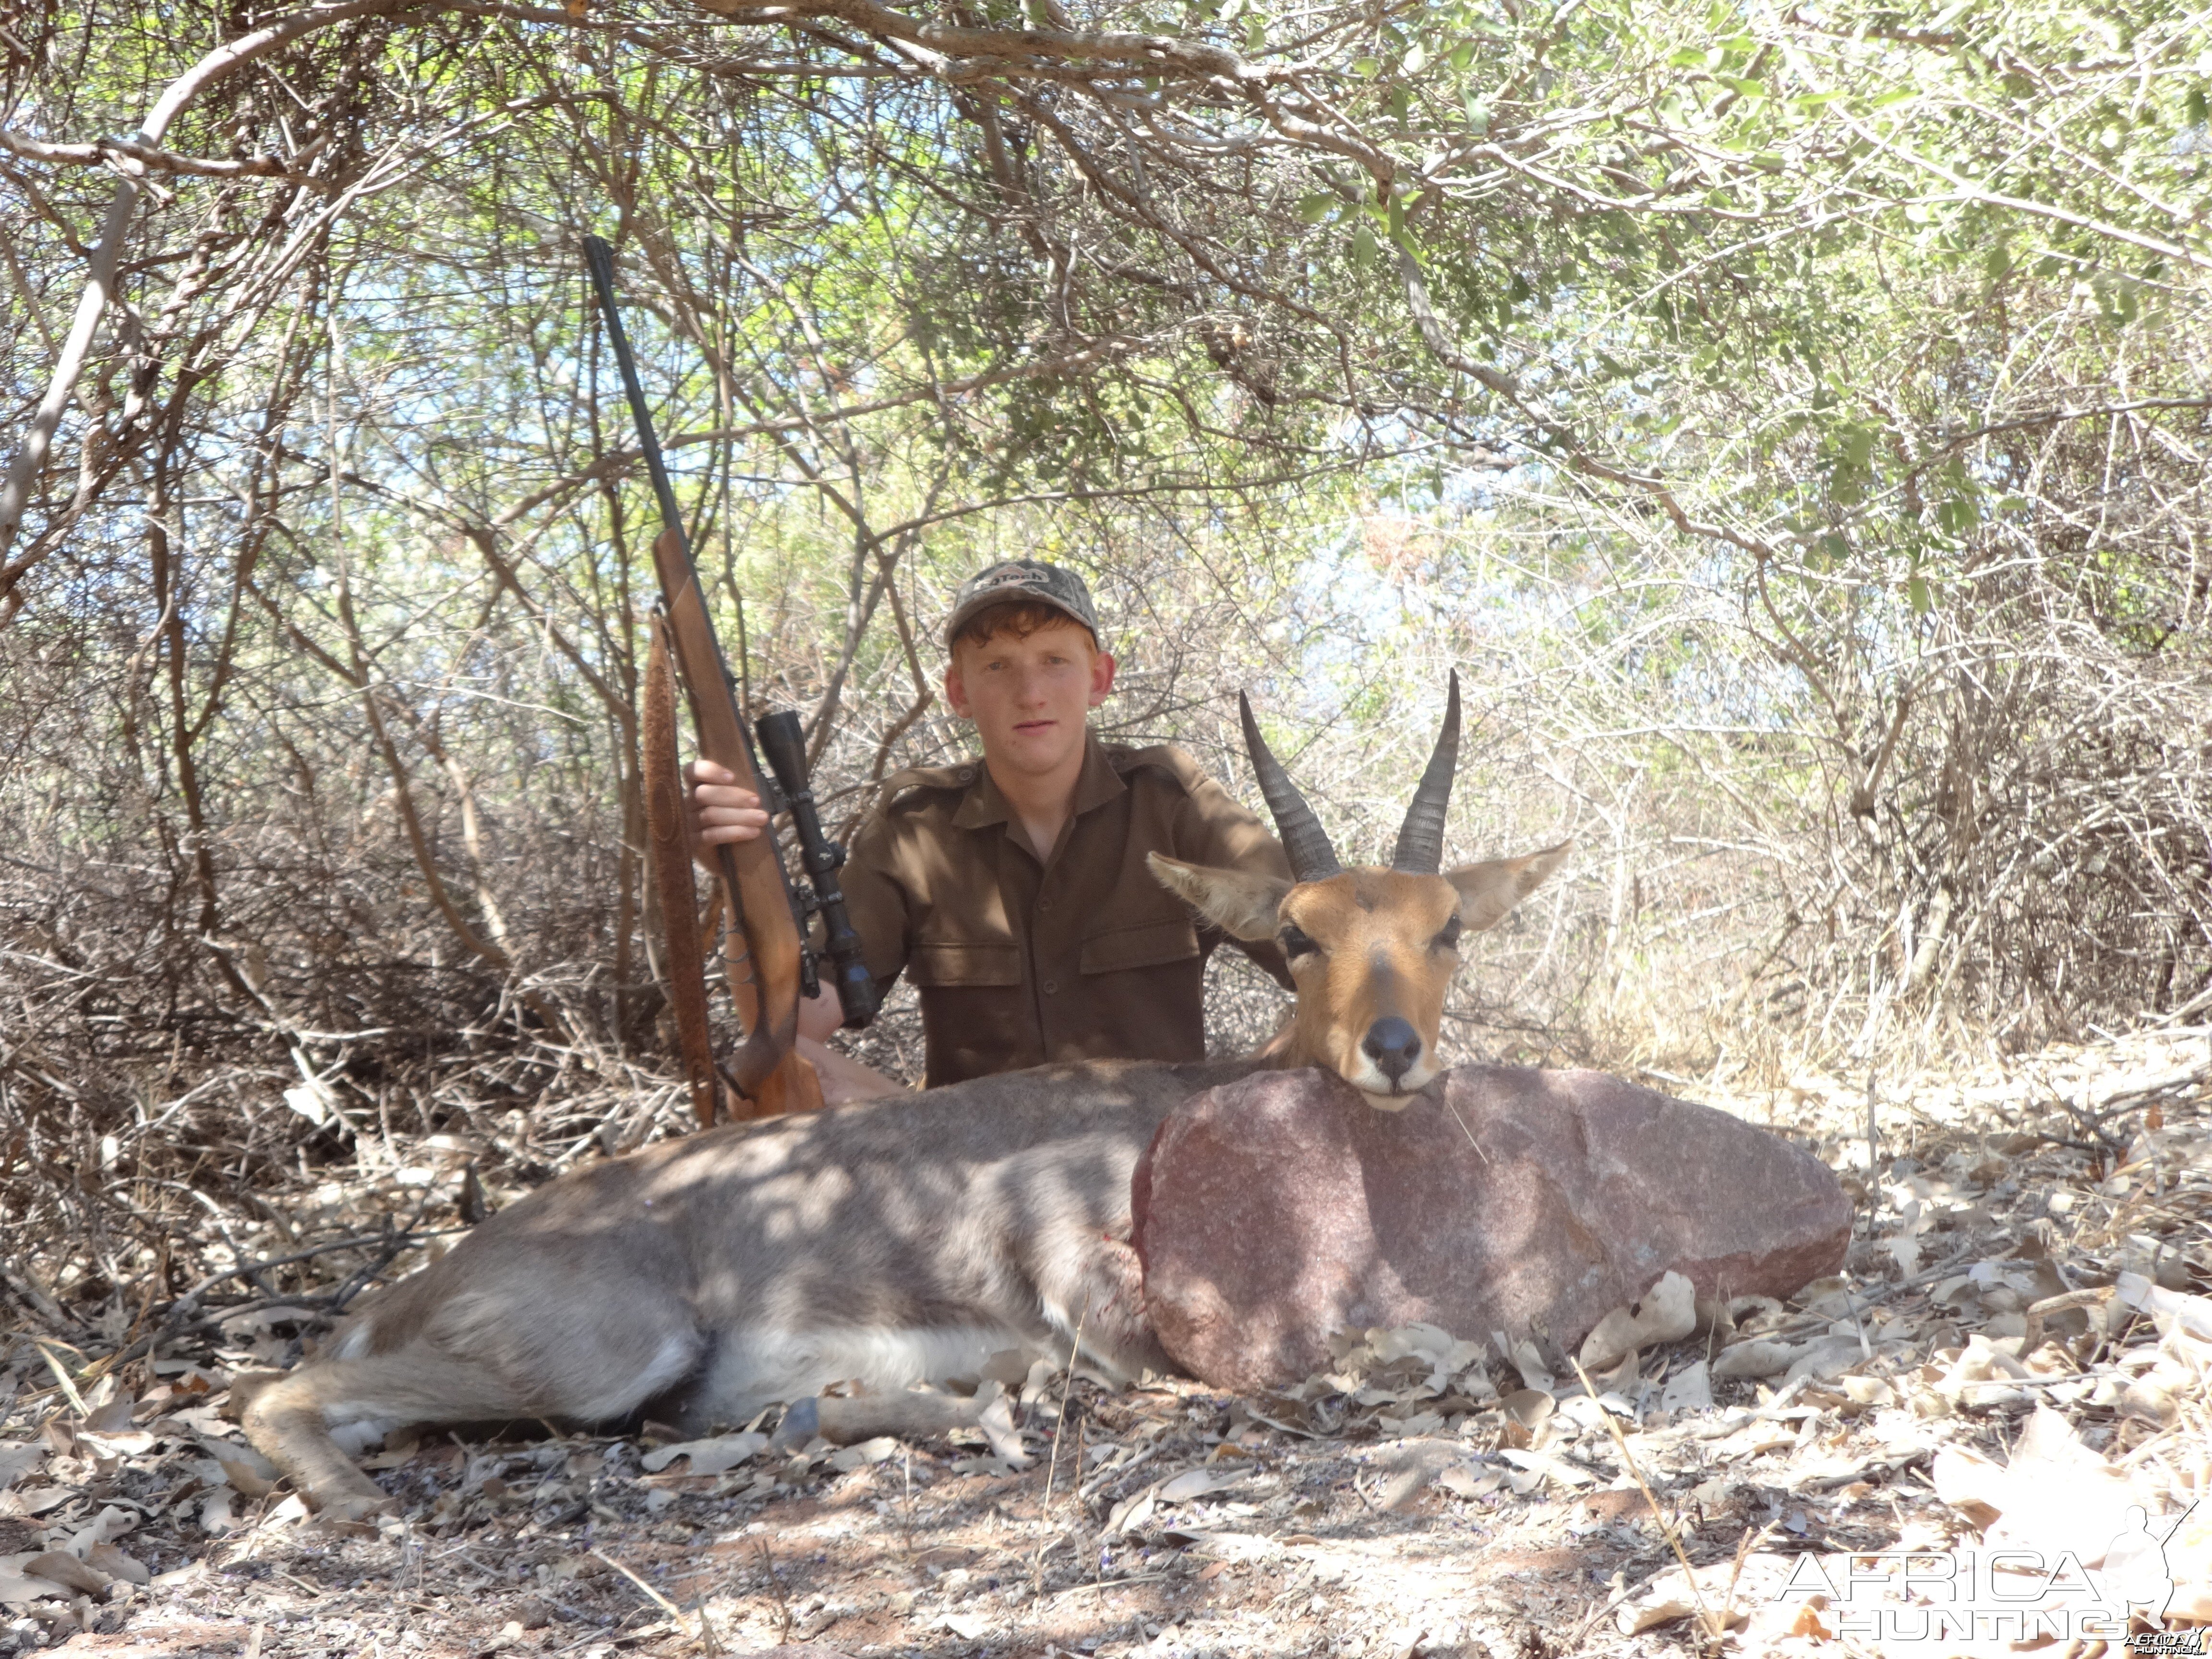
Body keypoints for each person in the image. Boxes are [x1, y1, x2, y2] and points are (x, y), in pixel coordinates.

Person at [687, 559, 1293, 1098]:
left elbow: (1330, 945)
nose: (1030, 693)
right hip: (973, 1172)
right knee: (765, 1081)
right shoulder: (915, 825)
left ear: (1100, 679)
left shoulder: (1170, 800)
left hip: (1150, 1156)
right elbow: (787, 1033)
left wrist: (1232, 1101)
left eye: (1055, 662)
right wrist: (741, 875)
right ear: (959, 691)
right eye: (997, 666)